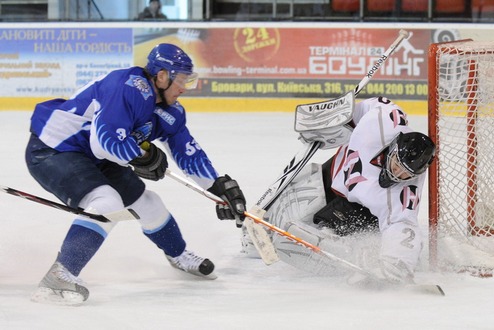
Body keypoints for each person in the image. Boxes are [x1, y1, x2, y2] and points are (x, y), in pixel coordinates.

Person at [26, 43, 246, 305]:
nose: (184, 87)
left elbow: (188, 151)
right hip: (54, 148)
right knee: (106, 203)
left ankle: (179, 255)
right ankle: (59, 275)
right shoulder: (128, 88)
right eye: (181, 79)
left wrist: (218, 187)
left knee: (148, 203)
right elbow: (103, 140)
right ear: (162, 76)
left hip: (92, 156)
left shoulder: (170, 110)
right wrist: (142, 156)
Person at [244, 96, 435, 285]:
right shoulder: (383, 122)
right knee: (254, 244)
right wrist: (340, 117)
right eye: (397, 165)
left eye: (405, 174)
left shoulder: (403, 194)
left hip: (353, 212)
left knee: (289, 240)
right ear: (393, 148)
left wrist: (398, 265)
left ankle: (350, 248)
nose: (397, 174)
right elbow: (372, 105)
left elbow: (403, 227)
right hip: (325, 178)